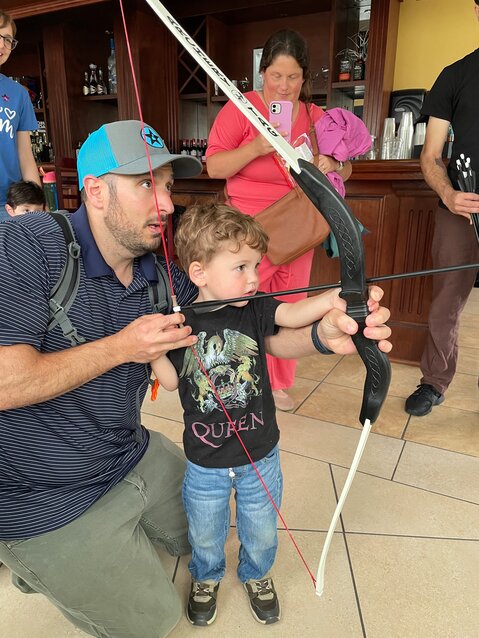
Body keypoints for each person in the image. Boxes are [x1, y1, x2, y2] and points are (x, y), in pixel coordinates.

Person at [0, 118, 392, 638]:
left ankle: (104, 544)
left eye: (166, 185)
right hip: (39, 492)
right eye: (145, 185)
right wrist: (122, 348)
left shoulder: (165, 267)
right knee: (156, 620)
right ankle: (36, 563)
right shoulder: (31, 242)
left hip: (125, 453)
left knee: (202, 537)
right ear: (94, 191)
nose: (164, 203)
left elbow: (248, 332)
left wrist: (325, 332)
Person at [152, 202, 384, 627]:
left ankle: (257, 574)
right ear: (199, 272)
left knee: (260, 526)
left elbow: (293, 313)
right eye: (240, 267)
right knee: (206, 530)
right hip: (205, 461)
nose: (254, 277)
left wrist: (337, 295)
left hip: (260, 452)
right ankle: (206, 578)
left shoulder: (255, 306)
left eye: (256, 266)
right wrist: (149, 354)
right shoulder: (180, 321)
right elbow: (169, 381)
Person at [206, 29, 353, 412]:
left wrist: (334, 163)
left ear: (305, 78)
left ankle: (278, 383)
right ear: (262, 74)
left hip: (298, 226)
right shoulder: (241, 107)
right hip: (246, 228)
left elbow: (347, 167)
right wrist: (255, 146)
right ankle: (227, 373)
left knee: (291, 300)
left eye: (293, 78)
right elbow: (213, 165)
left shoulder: (314, 115)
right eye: (276, 76)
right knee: (239, 300)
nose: (284, 87)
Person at [405, 0, 479, 417]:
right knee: (446, 299)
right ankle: (433, 381)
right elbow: (431, 156)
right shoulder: (454, 75)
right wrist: (450, 195)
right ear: (476, 10)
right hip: (461, 206)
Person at [0, 10, 41, 222]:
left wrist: (38, 208)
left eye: (7, 40)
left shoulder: (18, 93)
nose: (2, 46)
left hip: (9, 205)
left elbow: (25, 155)